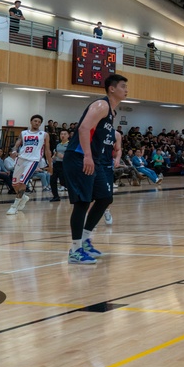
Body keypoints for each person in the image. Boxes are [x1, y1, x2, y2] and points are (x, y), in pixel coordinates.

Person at [63, 74, 128, 264]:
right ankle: (75, 251)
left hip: (96, 161)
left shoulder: (112, 113)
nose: (126, 89)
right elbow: (83, 129)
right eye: (123, 86)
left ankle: (85, 240)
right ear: (112, 89)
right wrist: (88, 156)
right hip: (79, 157)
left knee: (105, 197)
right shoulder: (102, 105)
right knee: (82, 202)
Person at [6, 114, 54, 215]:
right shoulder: (23, 133)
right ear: (31, 122)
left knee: (23, 182)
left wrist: (50, 165)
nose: (37, 123)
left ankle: (14, 206)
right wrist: (14, 151)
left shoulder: (44, 134)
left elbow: (47, 151)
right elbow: (16, 146)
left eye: (39, 122)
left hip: (33, 160)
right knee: (15, 184)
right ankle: (23, 197)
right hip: (21, 159)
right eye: (35, 121)